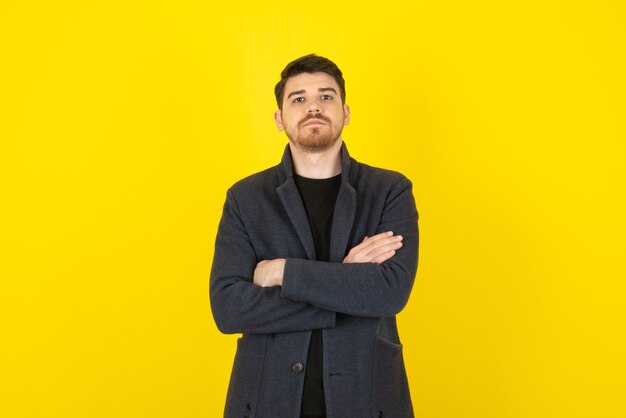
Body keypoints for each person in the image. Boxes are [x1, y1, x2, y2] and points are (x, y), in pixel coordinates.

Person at [210, 54, 419, 418]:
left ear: (345, 112)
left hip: (366, 397)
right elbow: (229, 309)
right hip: (266, 400)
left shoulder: (389, 190)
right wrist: (346, 276)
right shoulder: (245, 198)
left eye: (326, 96)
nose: (313, 108)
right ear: (279, 119)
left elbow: (389, 292)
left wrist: (282, 272)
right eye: (298, 99)